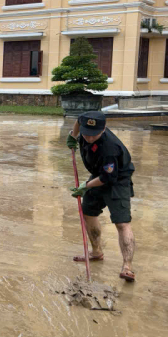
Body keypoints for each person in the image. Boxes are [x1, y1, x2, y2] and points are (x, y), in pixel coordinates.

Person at [67, 111, 137, 282]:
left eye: (94, 135)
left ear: (103, 129)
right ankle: (96, 252)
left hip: (117, 181)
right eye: (86, 134)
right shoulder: (85, 128)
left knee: (122, 223)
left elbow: (107, 178)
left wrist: (85, 186)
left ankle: (127, 267)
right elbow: (79, 120)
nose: (89, 138)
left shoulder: (109, 148)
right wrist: (74, 135)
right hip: (98, 175)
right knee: (88, 212)